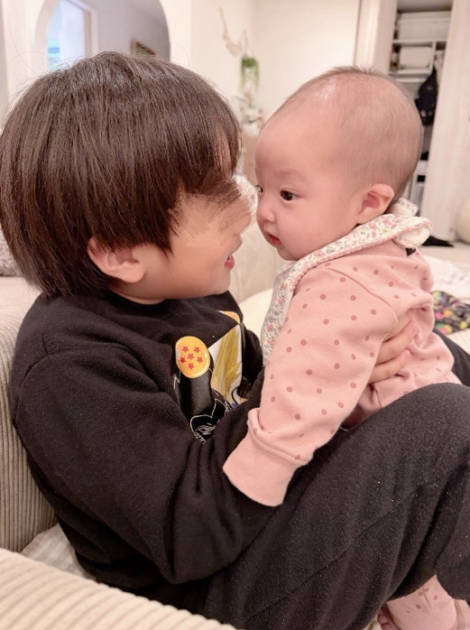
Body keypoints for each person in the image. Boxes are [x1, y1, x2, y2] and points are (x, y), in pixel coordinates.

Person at [0, 52, 469, 630]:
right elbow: (189, 536)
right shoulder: (71, 365)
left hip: (275, 511)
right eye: (219, 193)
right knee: (447, 421)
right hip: (220, 587)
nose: (249, 214)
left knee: (438, 359)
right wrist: (315, 375)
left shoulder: (194, 294)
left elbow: (252, 384)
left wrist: (346, 363)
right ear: (121, 252)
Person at [223, 67, 470, 630]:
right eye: (261, 189)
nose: (265, 211)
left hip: (406, 457)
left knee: (413, 587)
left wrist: (255, 475)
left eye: (288, 194)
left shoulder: (340, 280)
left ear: (368, 203)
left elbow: (304, 392)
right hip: (421, 433)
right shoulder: (375, 246)